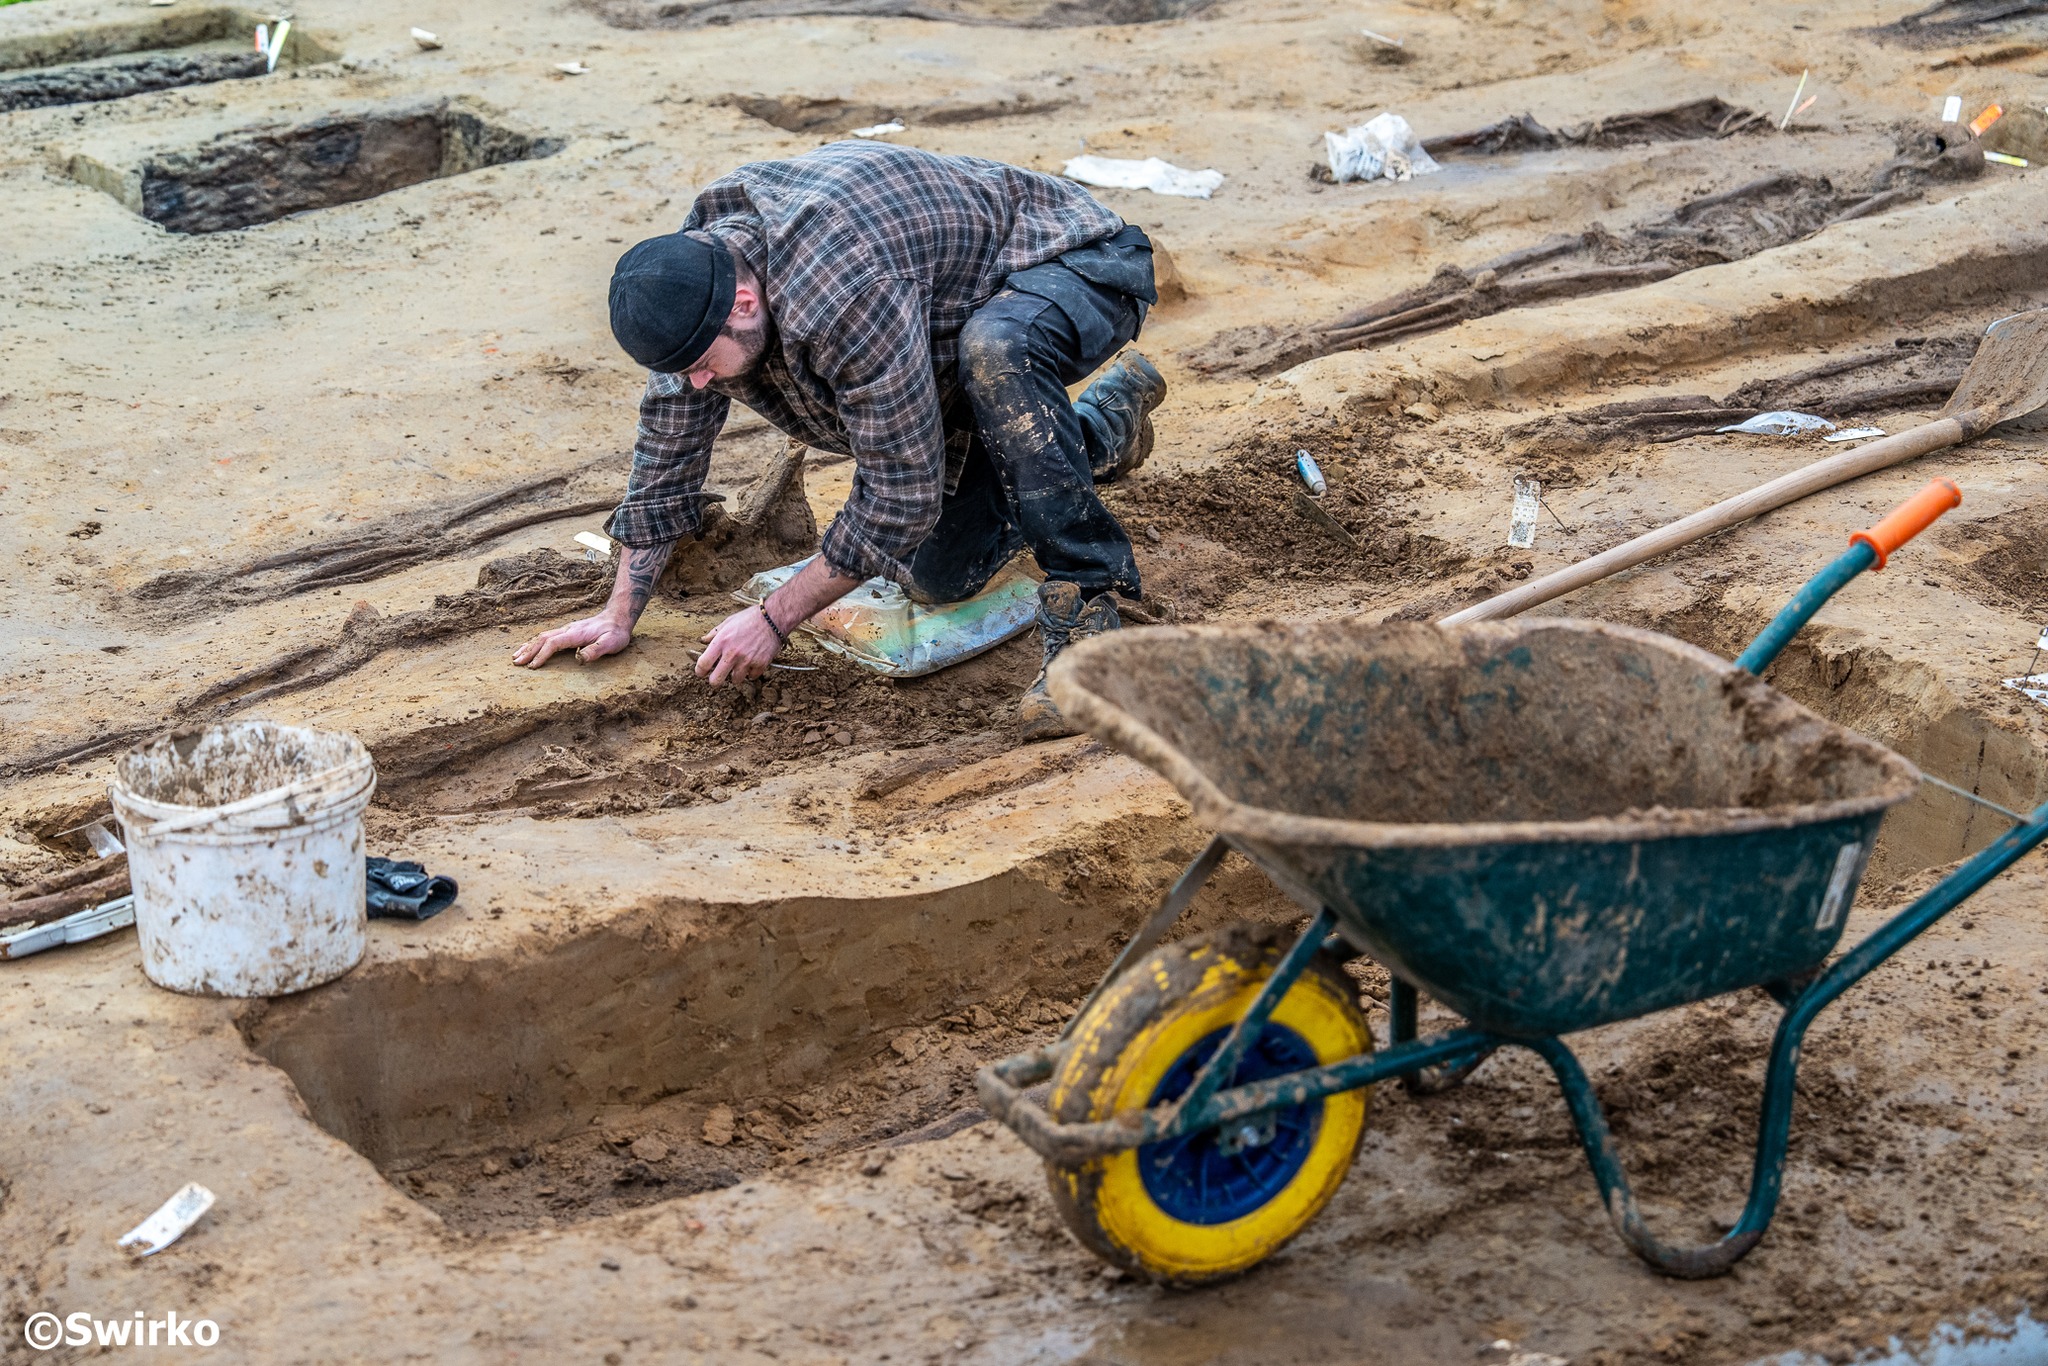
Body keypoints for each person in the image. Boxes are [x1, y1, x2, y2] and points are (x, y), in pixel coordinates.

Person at [512, 141, 1166, 740]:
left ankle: (1085, 615)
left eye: (701, 363)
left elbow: (898, 495)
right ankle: (1099, 427)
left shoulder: (841, 292)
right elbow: (669, 444)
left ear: (744, 302)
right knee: (937, 575)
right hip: (941, 318)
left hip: (1071, 264)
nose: (699, 380)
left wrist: (772, 618)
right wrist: (618, 614)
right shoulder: (695, 277)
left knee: (997, 349)